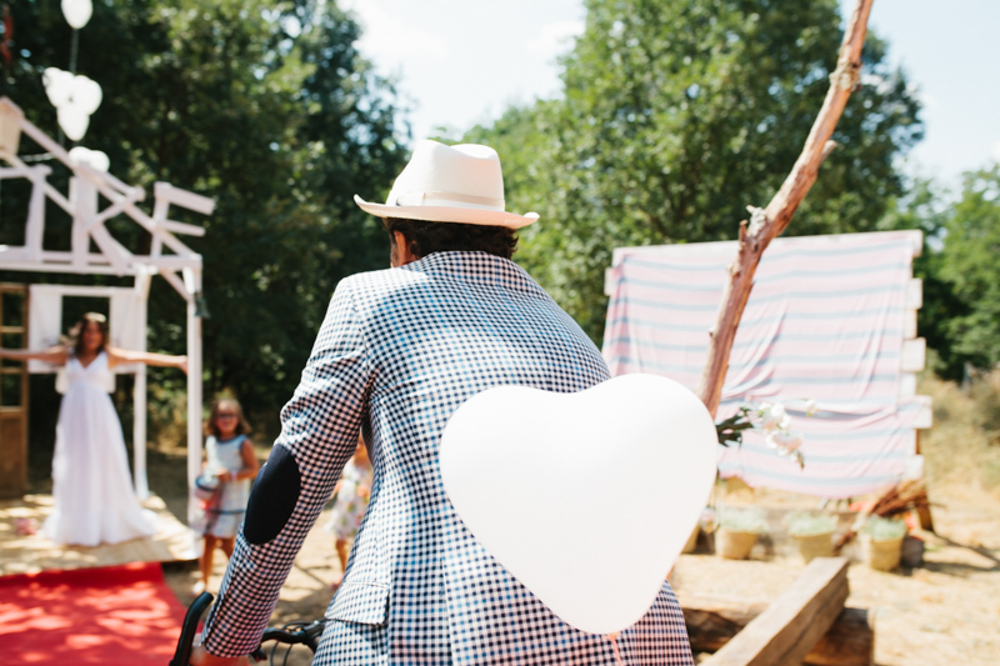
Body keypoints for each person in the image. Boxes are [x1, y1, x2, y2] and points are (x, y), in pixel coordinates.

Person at [192, 140, 694, 665]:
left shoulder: (369, 298)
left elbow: (295, 476)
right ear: (503, 238)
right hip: (634, 637)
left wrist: (226, 639)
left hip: (440, 628)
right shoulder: (569, 328)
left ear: (403, 241)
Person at [0, 311, 187, 547]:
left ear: (103, 335)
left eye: (97, 331)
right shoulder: (68, 355)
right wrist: (3, 352)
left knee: (105, 462)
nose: (92, 335)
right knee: (73, 464)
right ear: (81, 333)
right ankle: (76, 521)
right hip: (73, 417)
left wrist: (177, 360)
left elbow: (142, 357)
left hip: (100, 417)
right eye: (88, 330)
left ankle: (106, 517)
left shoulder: (108, 355)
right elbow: (30, 354)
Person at [194, 397, 260, 595]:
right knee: (208, 541)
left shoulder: (243, 443)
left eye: (231, 415)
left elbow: (254, 470)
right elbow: (209, 461)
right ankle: (203, 582)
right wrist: (207, 474)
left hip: (233, 503)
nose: (226, 419)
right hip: (213, 500)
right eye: (222, 415)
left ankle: (244, 579)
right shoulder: (212, 441)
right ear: (214, 419)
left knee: (227, 544)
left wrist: (231, 475)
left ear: (238, 419)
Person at [323, 435, 372, 589]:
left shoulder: (372, 465)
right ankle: (344, 572)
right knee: (339, 544)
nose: (357, 447)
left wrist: (367, 491)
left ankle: (358, 578)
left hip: (361, 513)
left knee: (360, 547)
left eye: (361, 443)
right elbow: (347, 480)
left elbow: (376, 488)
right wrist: (338, 485)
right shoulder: (349, 462)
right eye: (355, 443)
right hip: (344, 511)